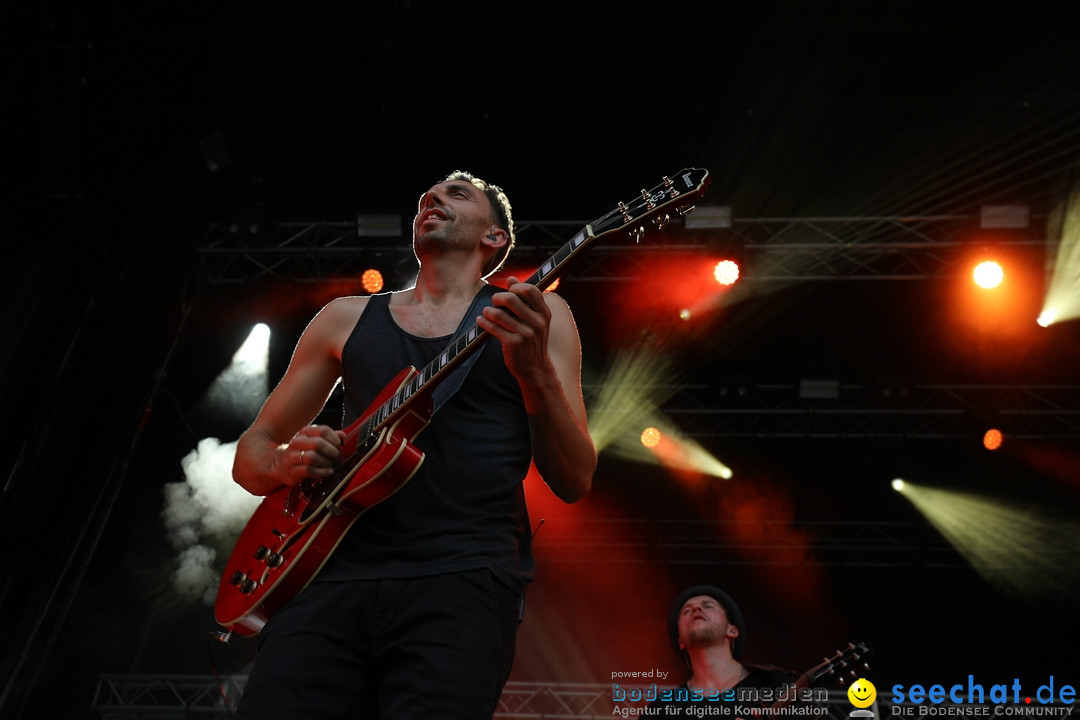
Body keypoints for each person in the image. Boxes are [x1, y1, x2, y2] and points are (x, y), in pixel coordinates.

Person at [230, 170, 597, 719]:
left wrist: (535, 373)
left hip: (464, 582)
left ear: (494, 238)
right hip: (328, 576)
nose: (432, 198)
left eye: (457, 194)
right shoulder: (344, 318)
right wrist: (286, 462)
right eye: (428, 195)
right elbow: (249, 454)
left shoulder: (539, 317)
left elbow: (574, 479)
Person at [648, 586, 797, 714]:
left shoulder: (775, 685)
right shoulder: (663, 709)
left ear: (731, 630)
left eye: (708, 606)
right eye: (686, 611)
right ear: (681, 641)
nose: (695, 608)